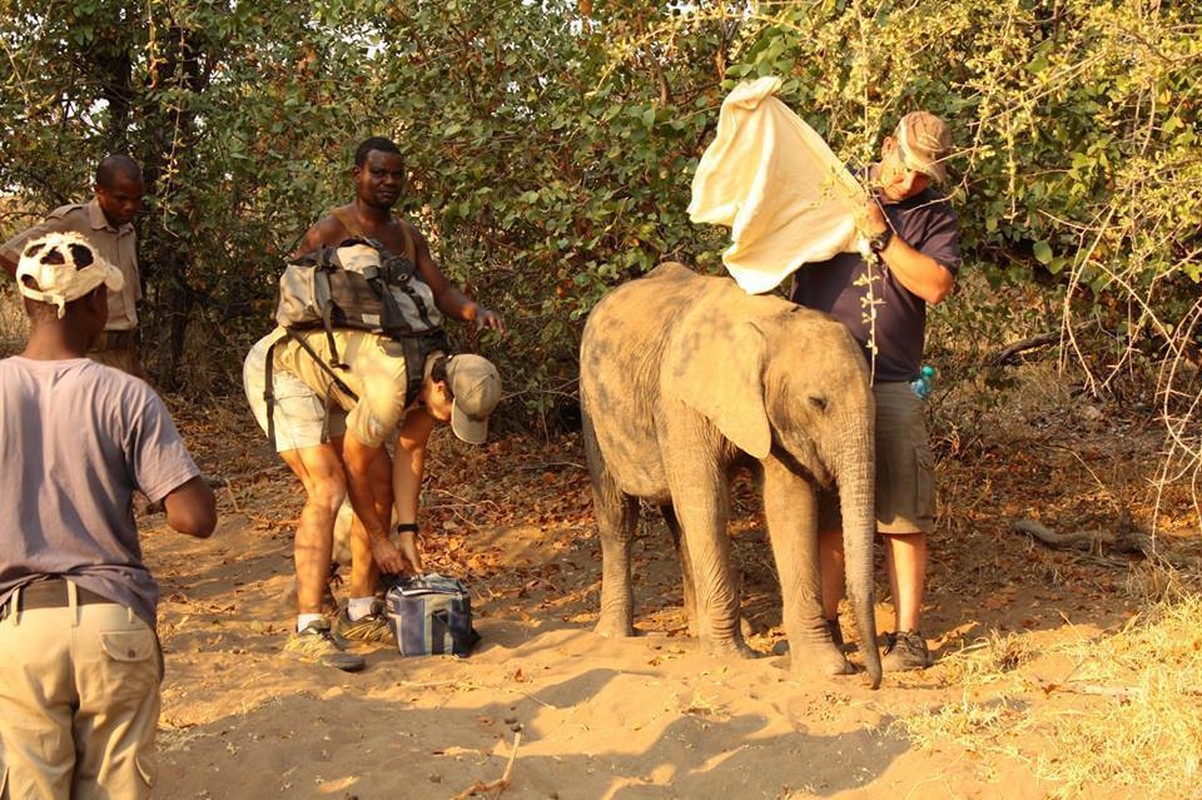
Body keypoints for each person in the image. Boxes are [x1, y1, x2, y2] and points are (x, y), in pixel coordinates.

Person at [243, 136, 505, 671]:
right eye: (378, 173)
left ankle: (360, 612)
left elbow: (409, 456)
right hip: (289, 367)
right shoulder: (393, 384)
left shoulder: (432, 366)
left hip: (343, 377)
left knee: (377, 489)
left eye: (396, 175)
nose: (388, 182)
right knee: (332, 486)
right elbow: (296, 294)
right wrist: (381, 540)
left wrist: (404, 534)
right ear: (357, 174)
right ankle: (310, 624)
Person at [0, 232, 217, 797]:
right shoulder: (127, 395)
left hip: (18, 630)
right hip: (111, 623)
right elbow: (194, 519)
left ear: (25, 303)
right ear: (96, 303)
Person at [789, 111, 960, 671]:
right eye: (904, 168)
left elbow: (935, 286)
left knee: (902, 513)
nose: (909, 183)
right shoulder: (834, 188)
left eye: (922, 176)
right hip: (823, 387)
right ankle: (828, 627)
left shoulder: (933, 212)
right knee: (827, 512)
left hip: (891, 381)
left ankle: (908, 635)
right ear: (887, 146)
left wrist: (880, 234)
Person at [1, 154, 148, 377]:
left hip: (124, 352)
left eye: (137, 199)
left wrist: (134, 363)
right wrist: (50, 300)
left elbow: (127, 305)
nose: (130, 207)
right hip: (87, 353)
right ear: (99, 191)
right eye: (122, 198)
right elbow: (9, 254)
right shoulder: (73, 220)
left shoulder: (127, 231)